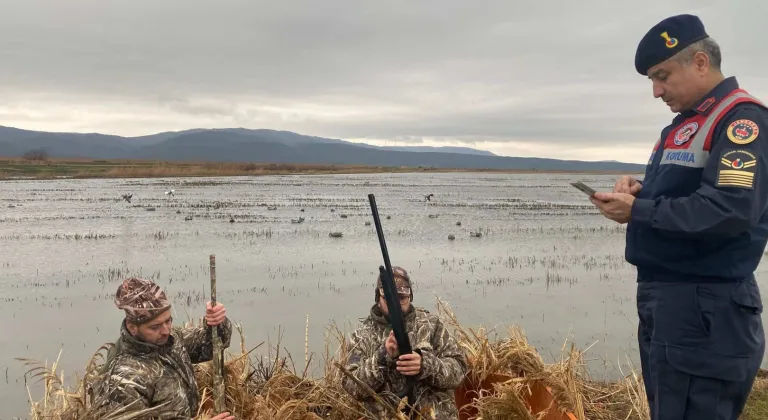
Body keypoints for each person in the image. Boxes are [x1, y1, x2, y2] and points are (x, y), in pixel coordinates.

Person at [590, 14, 767, 420]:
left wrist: (641, 210)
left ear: (700, 62)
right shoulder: (687, 124)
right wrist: (640, 191)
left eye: (662, 76)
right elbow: (686, 195)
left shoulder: (741, 120)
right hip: (670, 303)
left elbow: (732, 209)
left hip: (704, 308)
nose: (656, 91)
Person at [89, 277, 235, 420]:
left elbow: (210, 346)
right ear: (132, 327)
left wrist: (216, 322)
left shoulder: (170, 339)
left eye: (168, 321)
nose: (165, 330)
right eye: (155, 327)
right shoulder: (120, 379)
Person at [341, 266, 468, 419]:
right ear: (378, 297)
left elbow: (460, 370)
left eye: (401, 298)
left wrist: (425, 365)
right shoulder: (361, 336)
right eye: (389, 298)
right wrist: (382, 357)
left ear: (410, 296)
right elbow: (352, 387)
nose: (396, 303)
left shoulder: (432, 325)